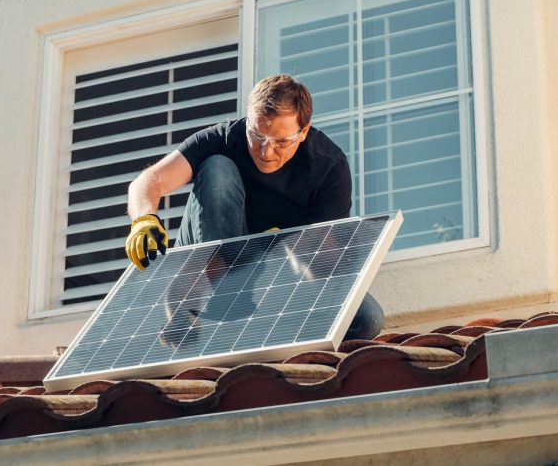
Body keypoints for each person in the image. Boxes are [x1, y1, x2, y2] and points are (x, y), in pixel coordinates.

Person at [124, 74, 383, 340]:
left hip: (279, 275)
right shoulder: (223, 138)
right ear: (247, 121)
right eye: (256, 135)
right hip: (216, 265)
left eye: (281, 142)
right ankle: (217, 296)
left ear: (303, 132)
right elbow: (149, 181)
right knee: (217, 167)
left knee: (365, 318)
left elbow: (329, 268)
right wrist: (143, 219)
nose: (265, 151)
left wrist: (298, 249)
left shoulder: (327, 167)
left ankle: (260, 313)